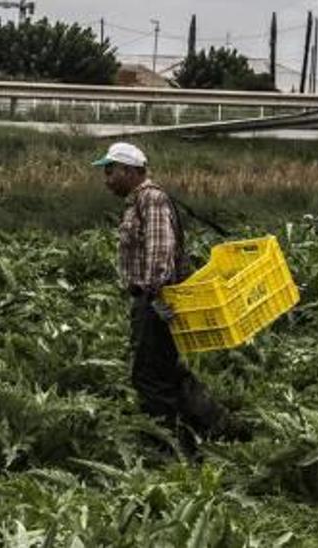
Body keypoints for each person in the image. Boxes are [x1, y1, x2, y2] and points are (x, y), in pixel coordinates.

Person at [93, 142, 229, 458]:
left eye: (110, 170)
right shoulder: (141, 200)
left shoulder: (151, 200)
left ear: (129, 171)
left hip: (157, 300)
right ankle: (219, 427)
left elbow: (161, 251)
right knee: (167, 372)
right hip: (155, 298)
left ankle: (169, 448)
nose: (106, 178)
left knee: (149, 377)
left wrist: (153, 296)